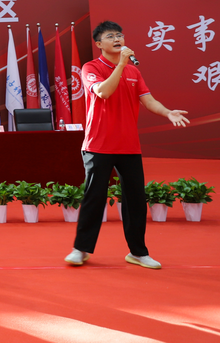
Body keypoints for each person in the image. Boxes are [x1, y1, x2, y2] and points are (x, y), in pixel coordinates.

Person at [64, 21, 189, 270]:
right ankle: (81, 249)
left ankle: (138, 252)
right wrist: (121, 64)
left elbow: (148, 100)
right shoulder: (91, 68)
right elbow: (103, 92)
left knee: (135, 199)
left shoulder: (134, 72)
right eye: (111, 36)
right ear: (99, 44)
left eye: (120, 35)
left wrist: (167, 113)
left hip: (129, 145)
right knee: (94, 197)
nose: (117, 38)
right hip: (98, 145)